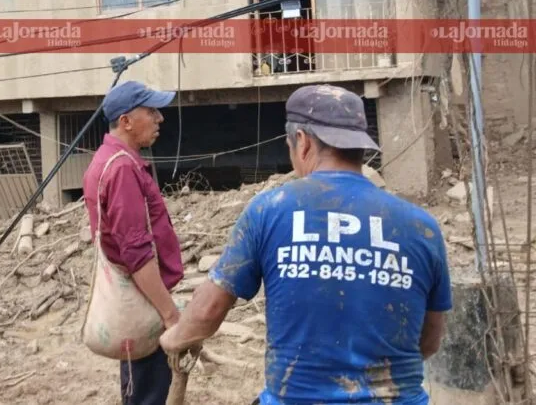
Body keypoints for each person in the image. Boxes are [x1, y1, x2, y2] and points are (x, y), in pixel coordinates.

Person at [160, 83, 452, 404]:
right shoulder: (423, 227)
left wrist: (175, 338)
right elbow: (429, 341)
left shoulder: (269, 210)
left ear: (302, 142)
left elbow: (208, 310)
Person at [83, 80, 184, 405]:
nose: (159, 118)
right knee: (150, 392)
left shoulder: (106, 160)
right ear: (126, 121)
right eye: (151, 111)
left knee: (138, 388)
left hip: (133, 296)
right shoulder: (123, 169)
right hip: (144, 299)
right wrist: (169, 314)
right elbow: (137, 254)